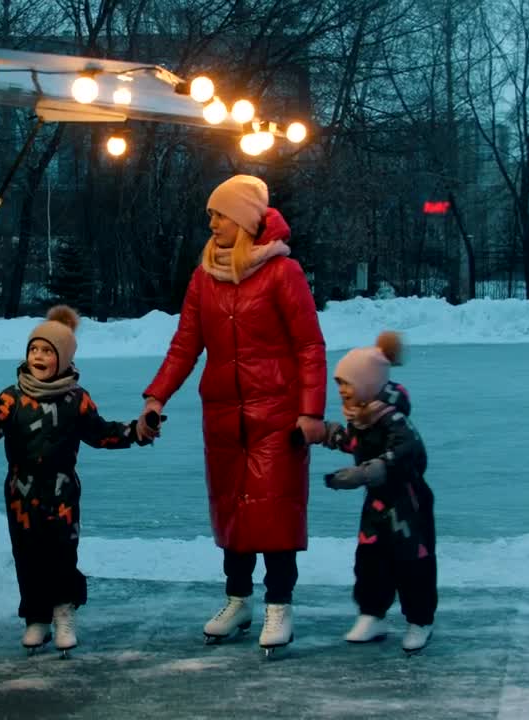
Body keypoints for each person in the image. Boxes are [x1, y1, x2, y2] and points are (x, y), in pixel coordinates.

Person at [137, 174, 327, 651]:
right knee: (234, 512)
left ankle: (279, 605)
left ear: (243, 219)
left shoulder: (284, 274)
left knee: (276, 512)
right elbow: (185, 345)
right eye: (211, 214)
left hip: (277, 416)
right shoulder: (205, 277)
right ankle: (238, 600)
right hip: (223, 415)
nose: (212, 222)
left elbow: (309, 346)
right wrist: (156, 396)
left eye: (220, 214)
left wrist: (309, 412)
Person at [0, 305, 154, 654]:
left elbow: (101, 434)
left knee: (61, 553)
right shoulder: (12, 397)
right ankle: (36, 617)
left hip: (62, 491)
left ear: (64, 359)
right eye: (34, 349)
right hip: (21, 492)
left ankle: (63, 612)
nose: (38, 356)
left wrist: (137, 432)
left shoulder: (76, 399)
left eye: (47, 351)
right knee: (28, 554)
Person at [321, 331, 437, 653]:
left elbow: (409, 453)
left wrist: (366, 472)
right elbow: (355, 443)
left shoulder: (394, 419)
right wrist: (326, 433)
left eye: (347, 382)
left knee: (412, 564)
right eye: (339, 383)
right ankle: (372, 614)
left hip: (408, 508)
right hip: (377, 507)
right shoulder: (363, 420)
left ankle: (419, 619)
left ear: (368, 384)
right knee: (370, 560)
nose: (341, 389)